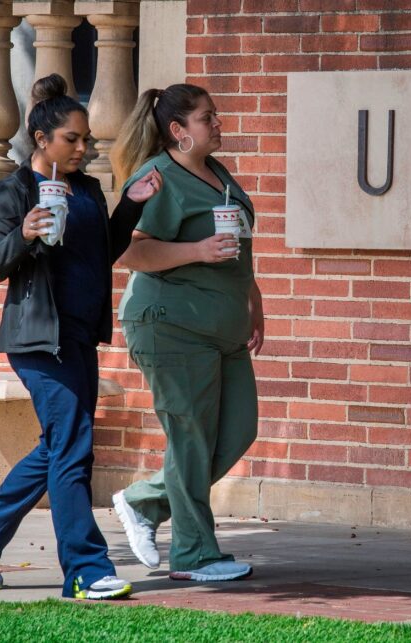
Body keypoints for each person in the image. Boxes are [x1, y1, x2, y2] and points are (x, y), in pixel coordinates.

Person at [0, 74, 162, 600]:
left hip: (81, 336)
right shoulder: (12, 192)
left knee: (61, 445)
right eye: (74, 139)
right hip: (40, 342)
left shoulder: (86, 189)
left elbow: (101, 250)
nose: (85, 149)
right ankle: (86, 570)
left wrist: (130, 202)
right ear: (42, 139)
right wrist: (23, 234)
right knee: (73, 449)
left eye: (87, 140)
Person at [108, 83, 264, 581]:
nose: (218, 123)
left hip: (223, 326)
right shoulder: (157, 178)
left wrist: (253, 300)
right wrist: (195, 252)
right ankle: (196, 555)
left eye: (214, 114)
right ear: (178, 131)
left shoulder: (216, 173)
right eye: (207, 117)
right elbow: (130, 250)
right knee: (192, 439)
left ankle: (143, 502)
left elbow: (236, 245)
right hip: (170, 325)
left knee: (238, 430)